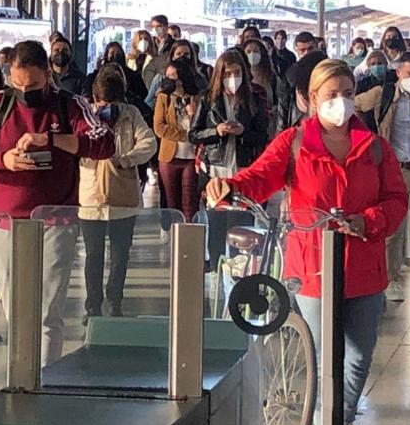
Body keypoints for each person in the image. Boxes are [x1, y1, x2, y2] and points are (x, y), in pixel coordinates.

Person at [205, 59, 407, 425]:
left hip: (365, 265)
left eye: (348, 94)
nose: (341, 102)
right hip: (313, 268)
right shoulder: (293, 142)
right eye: (332, 95)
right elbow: (259, 177)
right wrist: (228, 187)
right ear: (313, 99)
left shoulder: (376, 147)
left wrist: (367, 221)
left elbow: (396, 200)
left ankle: (342, 420)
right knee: (324, 356)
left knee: (359, 354)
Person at [0, 40, 114, 364]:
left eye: (32, 84)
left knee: (46, 311)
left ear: (48, 74)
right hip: (5, 223)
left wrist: (53, 140)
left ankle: (45, 382)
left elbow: (104, 142)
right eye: (17, 84)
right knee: (14, 309)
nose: (24, 91)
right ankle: (20, 377)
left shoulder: (69, 105)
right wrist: (4, 160)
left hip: (55, 222)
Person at [354, 51, 410, 301]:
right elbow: (355, 104)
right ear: (398, 74)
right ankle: (391, 280)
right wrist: (367, 136)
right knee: (392, 229)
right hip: (392, 171)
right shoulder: (381, 95)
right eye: (408, 74)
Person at [79, 64, 156, 323]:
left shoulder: (131, 114)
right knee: (93, 255)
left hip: (124, 197)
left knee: (120, 254)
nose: (106, 108)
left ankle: (115, 302)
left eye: (111, 103)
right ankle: (93, 307)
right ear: (94, 98)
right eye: (101, 103)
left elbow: (149, 143)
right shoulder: (84, 115)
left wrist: (126, 159)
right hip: (91, 199)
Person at [189, 49, 270, 267]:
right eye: (227, 73)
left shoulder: (254, 98)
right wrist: (216, 131)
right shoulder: (208, 99)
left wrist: (244, 131)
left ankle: (238, 272)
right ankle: (216, 268)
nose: (232, 78)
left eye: (236, 73)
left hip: (243, 170)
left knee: (241, 227)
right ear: (219, 75)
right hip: (215, 170)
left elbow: (263, 136)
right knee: (216, 226)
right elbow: (193, 134)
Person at [154, 57, 203, 223]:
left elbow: (202, 126)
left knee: (190, 204)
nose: (169, 79)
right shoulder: (163, 97)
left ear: (182, 77)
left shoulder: (197, 97)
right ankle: (173, 239)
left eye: (173, 75)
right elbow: (159, 127)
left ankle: (188, 239)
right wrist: (185, 135)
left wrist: (193, 116)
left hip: (191, 157)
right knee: (172, 204)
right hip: (169, 157)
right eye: (166, 75)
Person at [242, 38, 282, 139]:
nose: (252, 54)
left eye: (255, 51)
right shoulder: (240, 77)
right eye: (248, 52)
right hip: (245, 128)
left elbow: (281, 101)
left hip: (268, 128)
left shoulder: (272, 78)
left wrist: (271, 111)